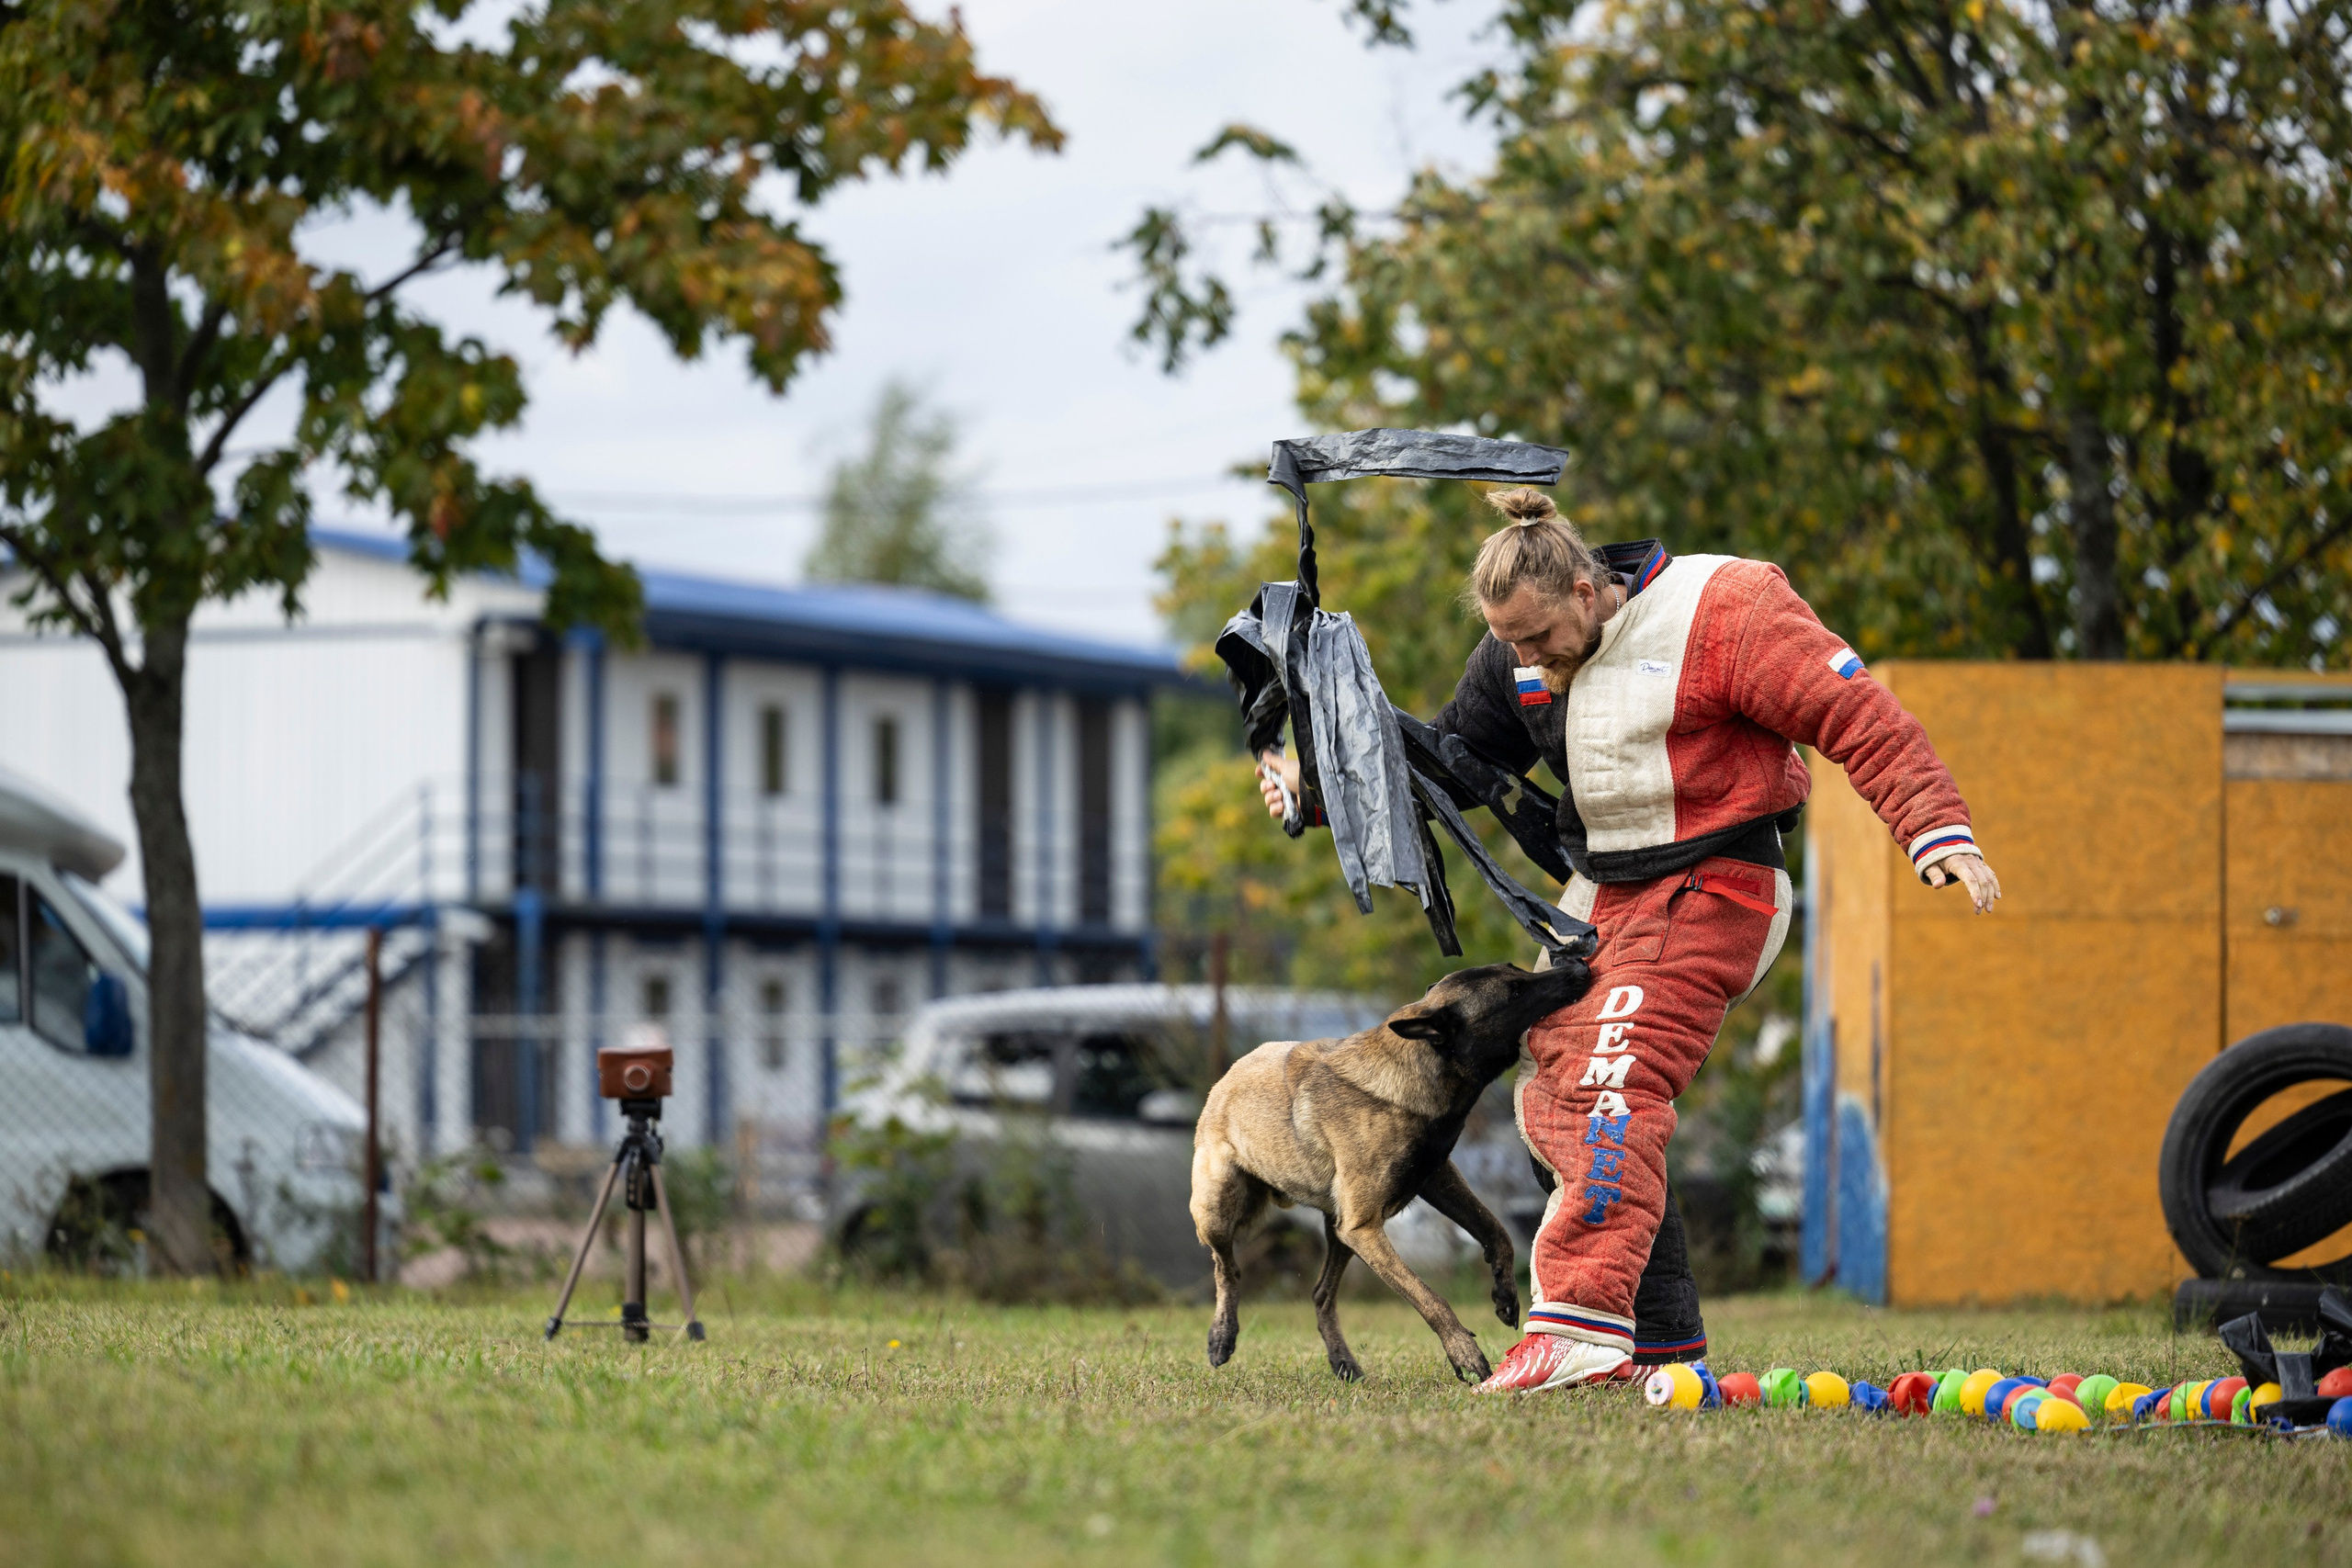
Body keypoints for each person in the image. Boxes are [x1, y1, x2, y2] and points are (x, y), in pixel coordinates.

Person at [1256, 489, 2000, 1393]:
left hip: (1716, 881)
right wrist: (1316, 792)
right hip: (1603, 894)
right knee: (1547, 1098)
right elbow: (1450, 762)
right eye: (1508, 643)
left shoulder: (1727, 607)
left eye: (1535, 638)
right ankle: (1661, 1350)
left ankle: (1576, 1326)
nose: (1523, 659)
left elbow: (1859, 717)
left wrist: (1938, 834)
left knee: (1604, 1078)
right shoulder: (1517, 651)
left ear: (1585, 588)